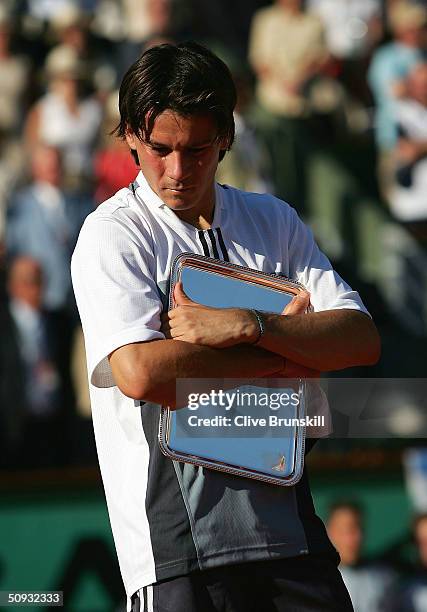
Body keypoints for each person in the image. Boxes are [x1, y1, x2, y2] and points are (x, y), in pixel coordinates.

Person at [71, 42, 380, 612]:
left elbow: (359, 339)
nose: (177, 171)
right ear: (131, 139)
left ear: (227, 139)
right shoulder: (113, 233)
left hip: (290, 528)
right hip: (177, 547)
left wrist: (246, 324)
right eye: (159, 150)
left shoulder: (273, 219)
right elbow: (140, 373)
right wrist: (287, 354)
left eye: (197, 150)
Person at [327, 502, 396, 612]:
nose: (357, 537)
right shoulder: (318, 581)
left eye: (360, 528)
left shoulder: (385, 578)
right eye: (348, 530)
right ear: (330, 532)